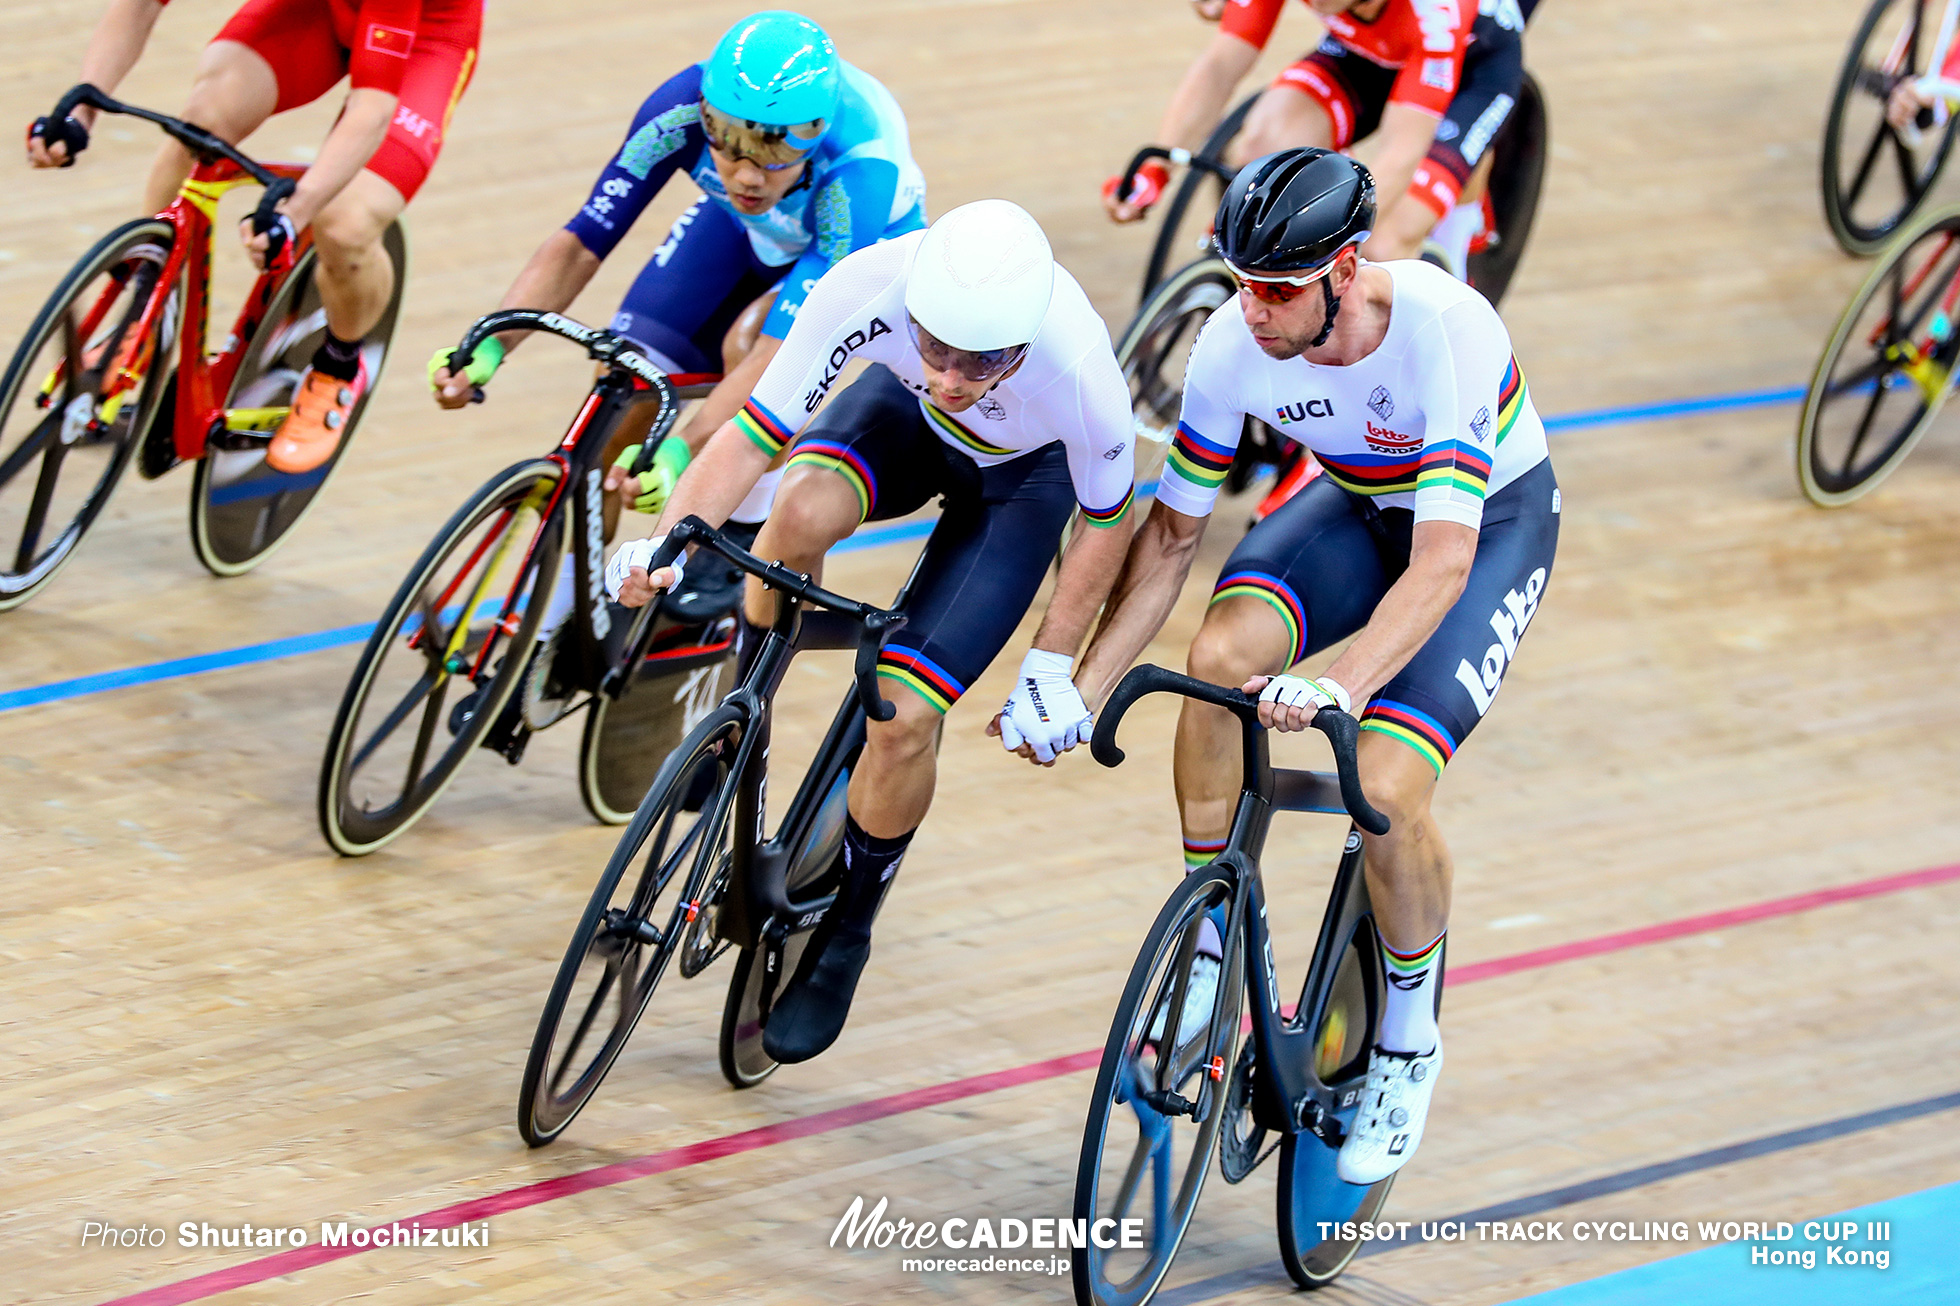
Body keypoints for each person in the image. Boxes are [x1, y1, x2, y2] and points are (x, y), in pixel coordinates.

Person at [1073, 149, 1558, 1183]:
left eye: (1280, 288)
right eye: (1242, 282)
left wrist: (1343, 686)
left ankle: (1408, 1042)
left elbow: (1442, 563)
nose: (1254, 310)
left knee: (1381, 781)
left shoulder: (1445, 328)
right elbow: (1167, 544)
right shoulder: (1227, 343)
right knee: (1216, 659)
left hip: (1485, 532)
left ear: (1345, 269)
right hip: (1358, 507)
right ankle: (1208, 947)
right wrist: (1083, 684)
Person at [606, 200, 1138, 1064]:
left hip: (1019, 490)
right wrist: (666, 542)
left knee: (905, 718)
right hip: (903, 425)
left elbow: (1108, 522)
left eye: (985, 361)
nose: (959, 377)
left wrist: (1052, 660)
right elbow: (750, 441)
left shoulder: (1080, 368)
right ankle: (744, 715)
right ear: (914, 311)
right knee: (794, 514)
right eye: (939, 349)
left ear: (1026, 338)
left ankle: (848, 930)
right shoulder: (867, 286)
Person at [429, 9, 926, 594]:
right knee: (621, 388)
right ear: (706, 115)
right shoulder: (677, 108)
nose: (745, 173)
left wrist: (685, 449)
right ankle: (557, 620)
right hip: (750, 233)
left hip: (854, 254)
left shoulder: (858, 169)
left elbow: (781, 353)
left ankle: (740, 529)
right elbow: (582, 240)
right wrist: (491, 342)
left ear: (814, 134)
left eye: (770, 154)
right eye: (729, 144)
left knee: (751, 344)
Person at [28, 0, 483, 474]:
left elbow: (372, 109)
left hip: (424, 40)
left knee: (345, 223)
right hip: (319, 12)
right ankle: (149, 308)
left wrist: (297, 211)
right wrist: (81, 111)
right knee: (200, 125)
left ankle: (337, 368)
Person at [1103, 0, 1528, 278]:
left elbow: (1401, 153)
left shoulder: (1435, 13)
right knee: (1259, 147)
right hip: (1363, 51)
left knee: (1382, 243)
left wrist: (1331, 231)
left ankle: (1463, 217)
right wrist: (1156, 171)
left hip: (1471, 72)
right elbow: (1219, 66)